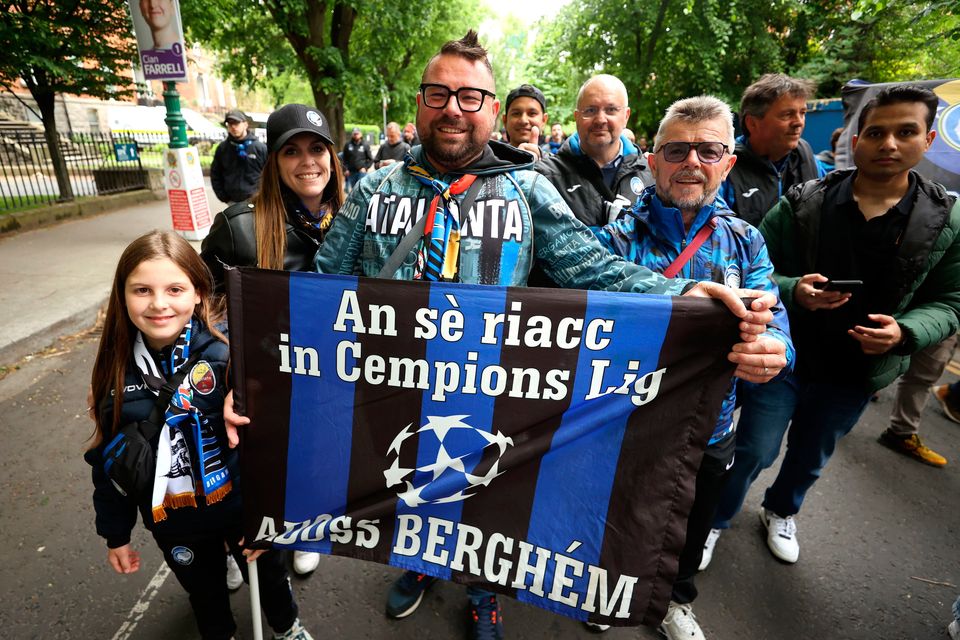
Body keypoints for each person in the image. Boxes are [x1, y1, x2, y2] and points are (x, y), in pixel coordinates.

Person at [306, 30, 786, 640]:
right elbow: (319, 290)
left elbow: (594, 269)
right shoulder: (373, 190)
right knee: (405, 489)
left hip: (489, 395)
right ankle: (419, 566)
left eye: (471, 96)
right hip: (388, 392)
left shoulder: (527, 190)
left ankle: (484, 592)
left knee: (484, 503)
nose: (454, 107)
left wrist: (681, 293)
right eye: (438, 93)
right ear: (419, 103)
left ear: (491, 109)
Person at [703, 85, 960, 569]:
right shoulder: (805, 202)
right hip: (786, 358)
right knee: (753, 446)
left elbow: (950, 301)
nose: (889, 144)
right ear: (857, 138)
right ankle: (715, 519)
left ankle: (780, 511)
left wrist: (905, 333)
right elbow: (752, 270)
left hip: (858, 372)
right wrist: (793, 289)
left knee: (811, 454)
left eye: (905, 132)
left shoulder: (948, 220)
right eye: (877, 132)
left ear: (927, 140)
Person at [593, 95, 794, 640]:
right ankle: (601, 588)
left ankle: (676, 602)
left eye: (709, 150)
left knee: (688, 523)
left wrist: (775, 350)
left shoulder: (746, 241)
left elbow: (774, 319)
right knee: (616, 513)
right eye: (677, 149)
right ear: (652, 159)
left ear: (728, 163)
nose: (692, 162)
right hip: (623, 420)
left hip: (712, 427)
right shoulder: (610, 241)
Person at [84, 230, 312, 640]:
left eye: (175, 288)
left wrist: (272, 517)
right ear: (122, 296)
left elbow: (276, 445)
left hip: (243, 510)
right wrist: (114, 535)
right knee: (203, 594)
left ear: (200, 293)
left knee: (269, 579)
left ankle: (287, 627)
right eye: (142, 290)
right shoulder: (113, 375)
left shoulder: (231, 357)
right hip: (174, 523)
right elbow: (109, 464)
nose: (158, 303)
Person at [201, 103, 344, 576]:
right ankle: (233, 546)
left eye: (317, 148)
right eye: (292, 151)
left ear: (332, 156)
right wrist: (224, 379)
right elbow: (198, 309)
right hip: (265, 384)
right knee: (258, 475)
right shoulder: (239, 226)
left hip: (330, 378)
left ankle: (305, 527)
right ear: (275, 161)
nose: (308, 161)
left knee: (314, 461)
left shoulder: (354, 221)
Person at [536, 74, 653, 230]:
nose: (600, 119)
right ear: (577, 117)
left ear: (626, 116)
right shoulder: (544, 178)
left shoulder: (652, 176)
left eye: (611, 110)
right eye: (590, 110)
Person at [719, 73, 825, 228]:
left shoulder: (807, 157)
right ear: (752, 123)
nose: (798, 122)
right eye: (787, 114)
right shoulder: (727, 168)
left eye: (802, 113)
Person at [879, 334, 955, 466]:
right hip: (946, 319)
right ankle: (901, 433)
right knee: (922, 377)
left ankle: (901, 431)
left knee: (886, 343)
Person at [210, 109, 268, 206]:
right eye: (230, 124)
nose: (233, 127)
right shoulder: (222, 149)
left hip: (258, 201)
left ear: (245, 124)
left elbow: (271, 175)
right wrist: (224, 197)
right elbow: (215, 174)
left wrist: (264, 195)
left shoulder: (260, 148)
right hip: (232, 202)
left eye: (236, 123)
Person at [501, 83, 550, 160]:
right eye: (516, 113)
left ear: (544, 120)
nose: (523, 120)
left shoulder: (556, 167)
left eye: (532, 113)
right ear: (505, 120)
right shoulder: (487, 164)